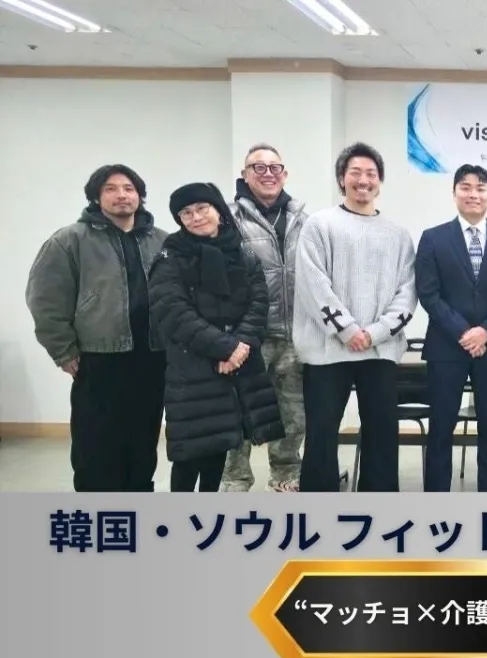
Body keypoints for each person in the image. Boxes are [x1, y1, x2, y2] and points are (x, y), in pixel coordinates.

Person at [26, 164, 169, 492]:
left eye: (129, 188)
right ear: (96, 196)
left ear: (140, 196)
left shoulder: (162, 241)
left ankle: (137, 502)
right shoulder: (70, 240)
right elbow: (45, 299)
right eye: (111, 188)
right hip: (99, 357)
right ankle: (96, 509)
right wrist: (63, 350)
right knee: (96, 443)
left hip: (152, 356)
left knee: (143, 438)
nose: (122, 195)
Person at [293, 142, 418, 492]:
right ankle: (319, 507)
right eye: (355, 173)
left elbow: (408, 292)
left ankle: (377, 506)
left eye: (371, 174)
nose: (364, 180)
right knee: (322, 432)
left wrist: (375, 333)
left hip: (379, 351)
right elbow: (313, 284)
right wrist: (347, 330)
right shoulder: (319, 225)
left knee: (382, 431)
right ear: (341, 178)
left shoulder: (398, 235)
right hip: (327, 350)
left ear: (380, 182)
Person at [148, 183, 285, 492]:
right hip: (193, 368)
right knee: (189, 453)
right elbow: (173, 312)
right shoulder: (171, 257)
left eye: (202, 208)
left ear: (219, 212)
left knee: (220, 446)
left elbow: (259, 303)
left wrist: (241, 346)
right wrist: (226, 348)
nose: (196, 217)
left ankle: (208, 513)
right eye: (186, 213)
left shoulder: (242, 253)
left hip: (235, 366)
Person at [415, 164, 487, 492]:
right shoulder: (433, 238)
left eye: (480, 188)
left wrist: (486, 331)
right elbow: (428, 293)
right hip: (446, 347)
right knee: (441, 426)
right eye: (466, 187)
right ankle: (437, 499)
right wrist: (464, 332)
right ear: (454, 193)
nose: (473, 194)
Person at [221, 143, 309, 492]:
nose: (268, 173)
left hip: (294, 333)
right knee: (239, 408)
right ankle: (235, 476)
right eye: (259, 167)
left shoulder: (303, 218)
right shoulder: (228, 218)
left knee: (294, 412)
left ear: (284, 174)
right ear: (245, 175)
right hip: (248, 335)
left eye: (275, 167)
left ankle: (286, 472)